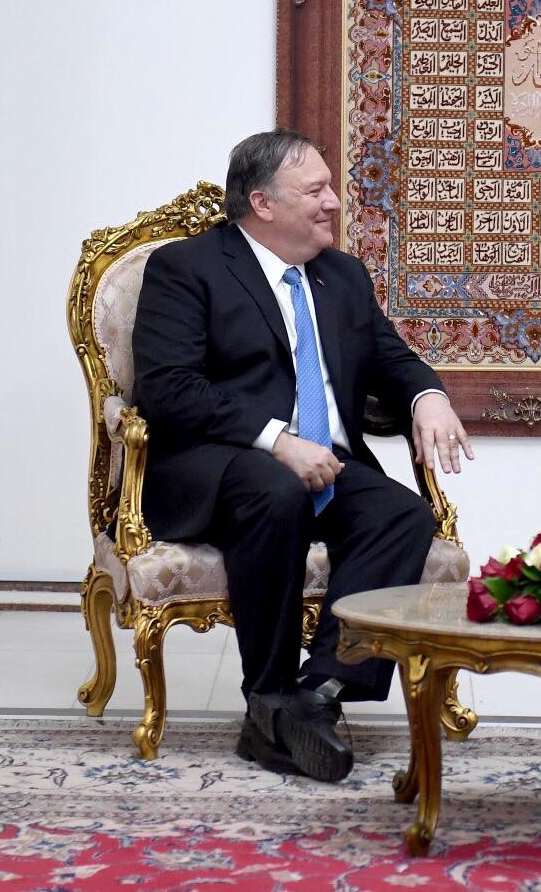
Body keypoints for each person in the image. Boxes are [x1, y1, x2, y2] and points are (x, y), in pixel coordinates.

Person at [132, 128, 473, 782]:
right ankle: (266, 694)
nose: (334, 202)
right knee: (275, 489)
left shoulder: (342, 275)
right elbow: (167, 387)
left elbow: (391, 358)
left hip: (326, 462)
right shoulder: (187, 268)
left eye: (330, 188)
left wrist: (428, 396)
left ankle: (314, 694)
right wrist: (276, 440)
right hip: (222, 465)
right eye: (316, 190)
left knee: (401, 515)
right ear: (262, 203)